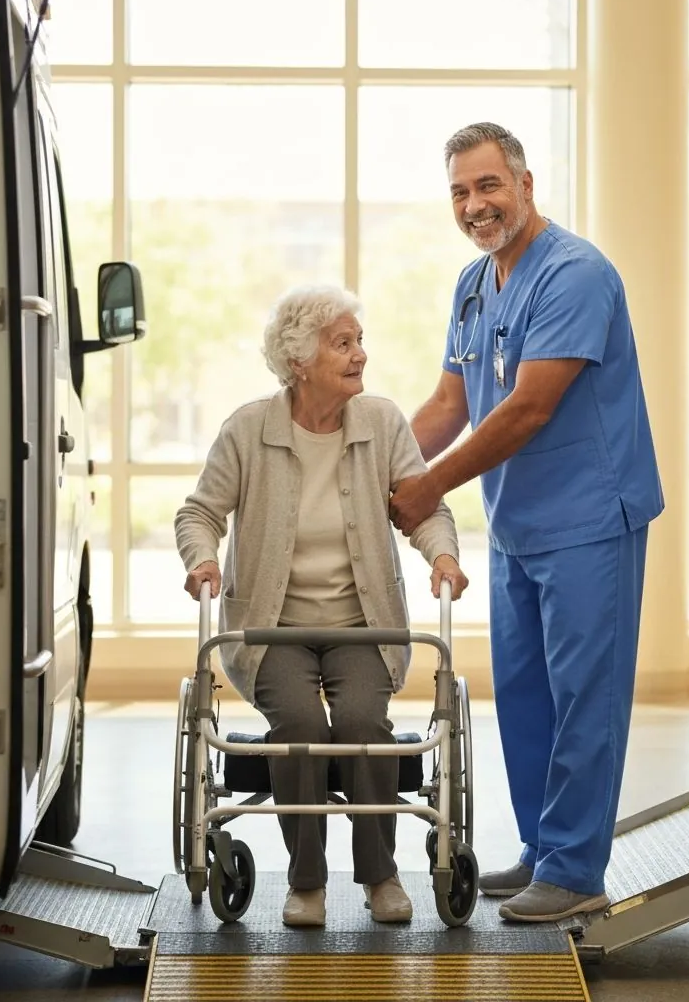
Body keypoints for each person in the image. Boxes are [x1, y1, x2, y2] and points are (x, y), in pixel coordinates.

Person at [389, 122, 664, 924]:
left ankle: (577, 868)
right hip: (516, 526)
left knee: (585, 696)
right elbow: (450, 404)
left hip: (589, 520)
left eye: (488, 186)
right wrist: (380, 473)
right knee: (524, 696)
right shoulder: (474, 285)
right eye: (461, 193)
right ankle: (544, 849)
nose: (476, 206)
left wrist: (428, 488)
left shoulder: (576, 275)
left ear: (525, 184)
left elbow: (529, 409)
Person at [174, 285, 469, 929]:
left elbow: (426, 507)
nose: (361, 354)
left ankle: (381, 876)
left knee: (365, 720)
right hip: (272, 628)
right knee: (302, 725)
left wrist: (441, 556)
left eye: (360, 341)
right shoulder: (249, 429)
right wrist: (201, 561)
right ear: (299, 358)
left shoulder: (383, 423)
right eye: (344, 343)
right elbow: (200, 512)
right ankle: (306, 882)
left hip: (361, 626)